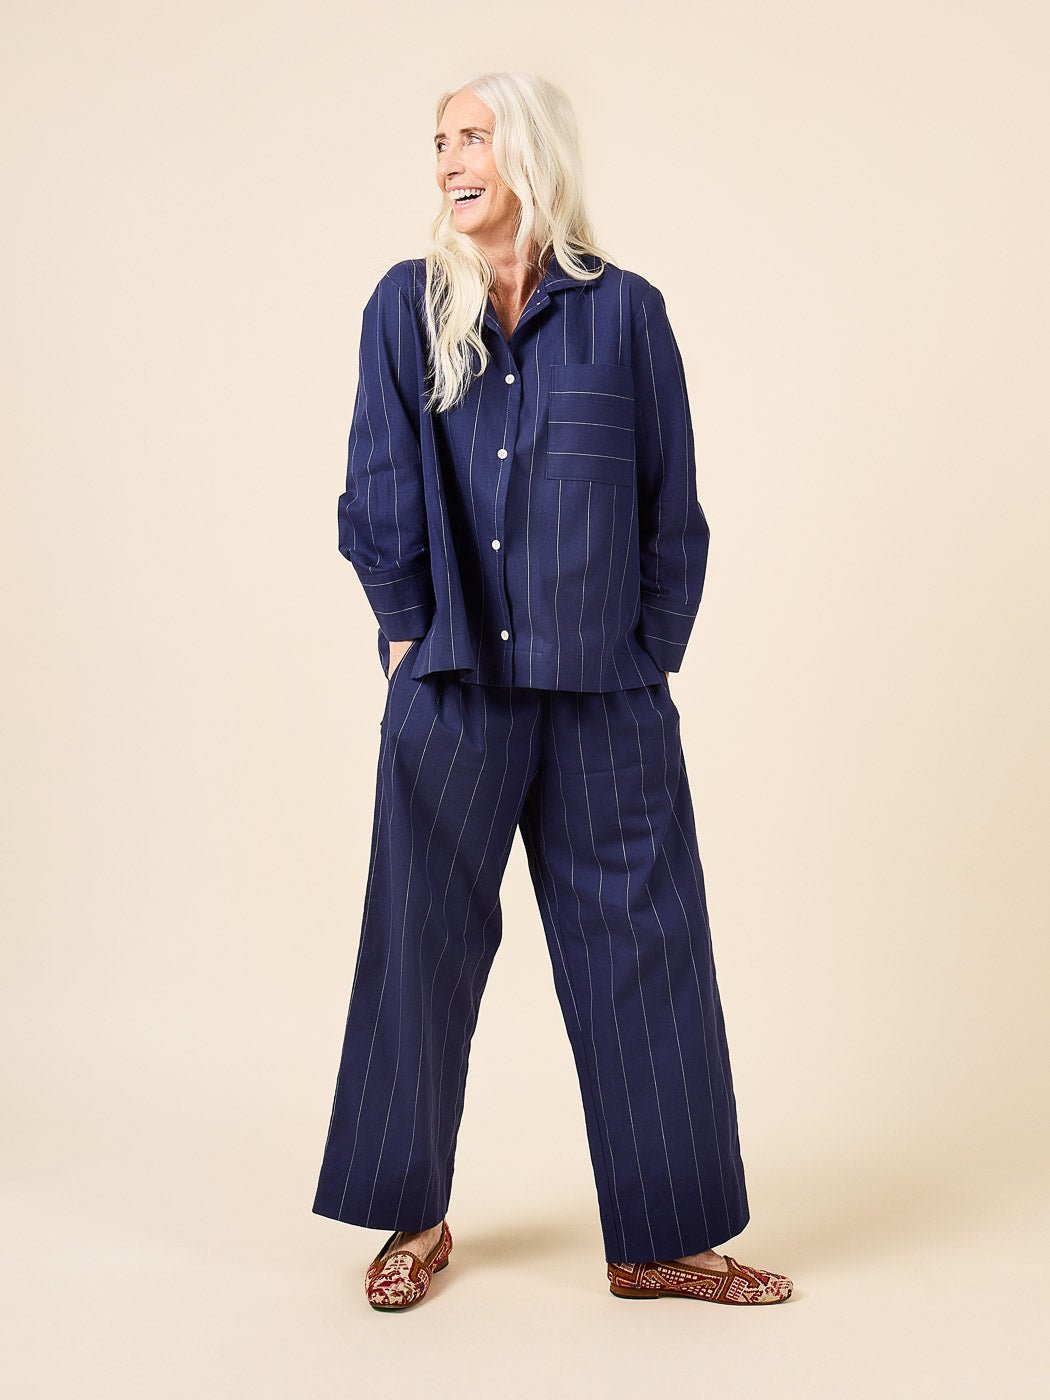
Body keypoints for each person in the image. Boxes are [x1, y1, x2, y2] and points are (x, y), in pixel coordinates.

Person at [312, 70, 794, 1313]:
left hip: (605, 696)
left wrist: (652, 649)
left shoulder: (627, 314)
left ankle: (663, 1240)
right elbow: (378, 478)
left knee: (648, 944)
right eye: (439, 141)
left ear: (528, 150)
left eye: (471, 136)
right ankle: (412, 1218)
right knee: (416, 945)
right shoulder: (406, 306)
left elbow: (671, 504)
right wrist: (405, 632)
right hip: (453, 684)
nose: (448, 160)